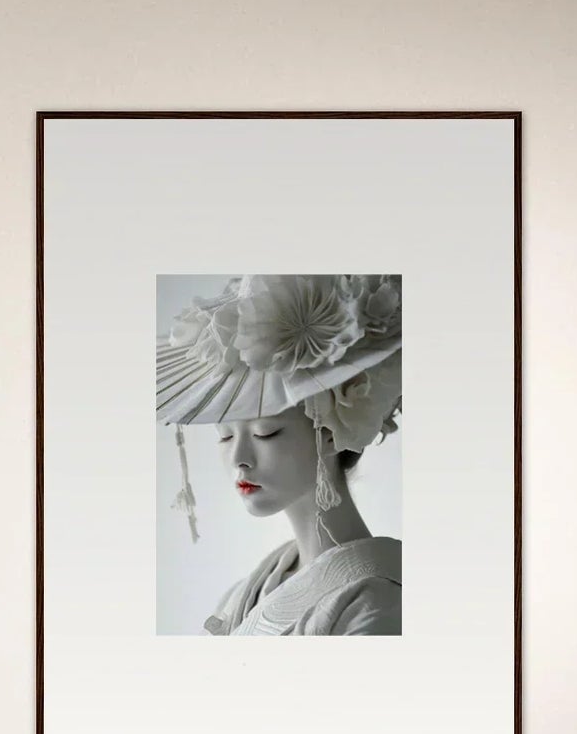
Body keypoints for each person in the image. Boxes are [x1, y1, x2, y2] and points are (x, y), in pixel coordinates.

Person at [156, 273, 403, 637]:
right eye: (224, 436)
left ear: (332, 432)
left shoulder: (374, 603)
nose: (239, 457)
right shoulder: (250, 589)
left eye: (265, 433)